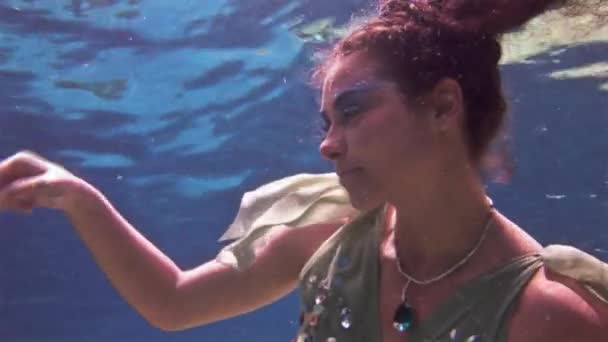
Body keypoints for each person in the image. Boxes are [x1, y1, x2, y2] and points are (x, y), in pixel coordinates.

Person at [1, 0, 607, 341]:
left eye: (352, 112)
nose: (329, 147)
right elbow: (173, 304)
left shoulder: (548, 317)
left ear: (443, 106)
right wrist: (77, 198)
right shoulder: (329, 241)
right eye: (326, 124)